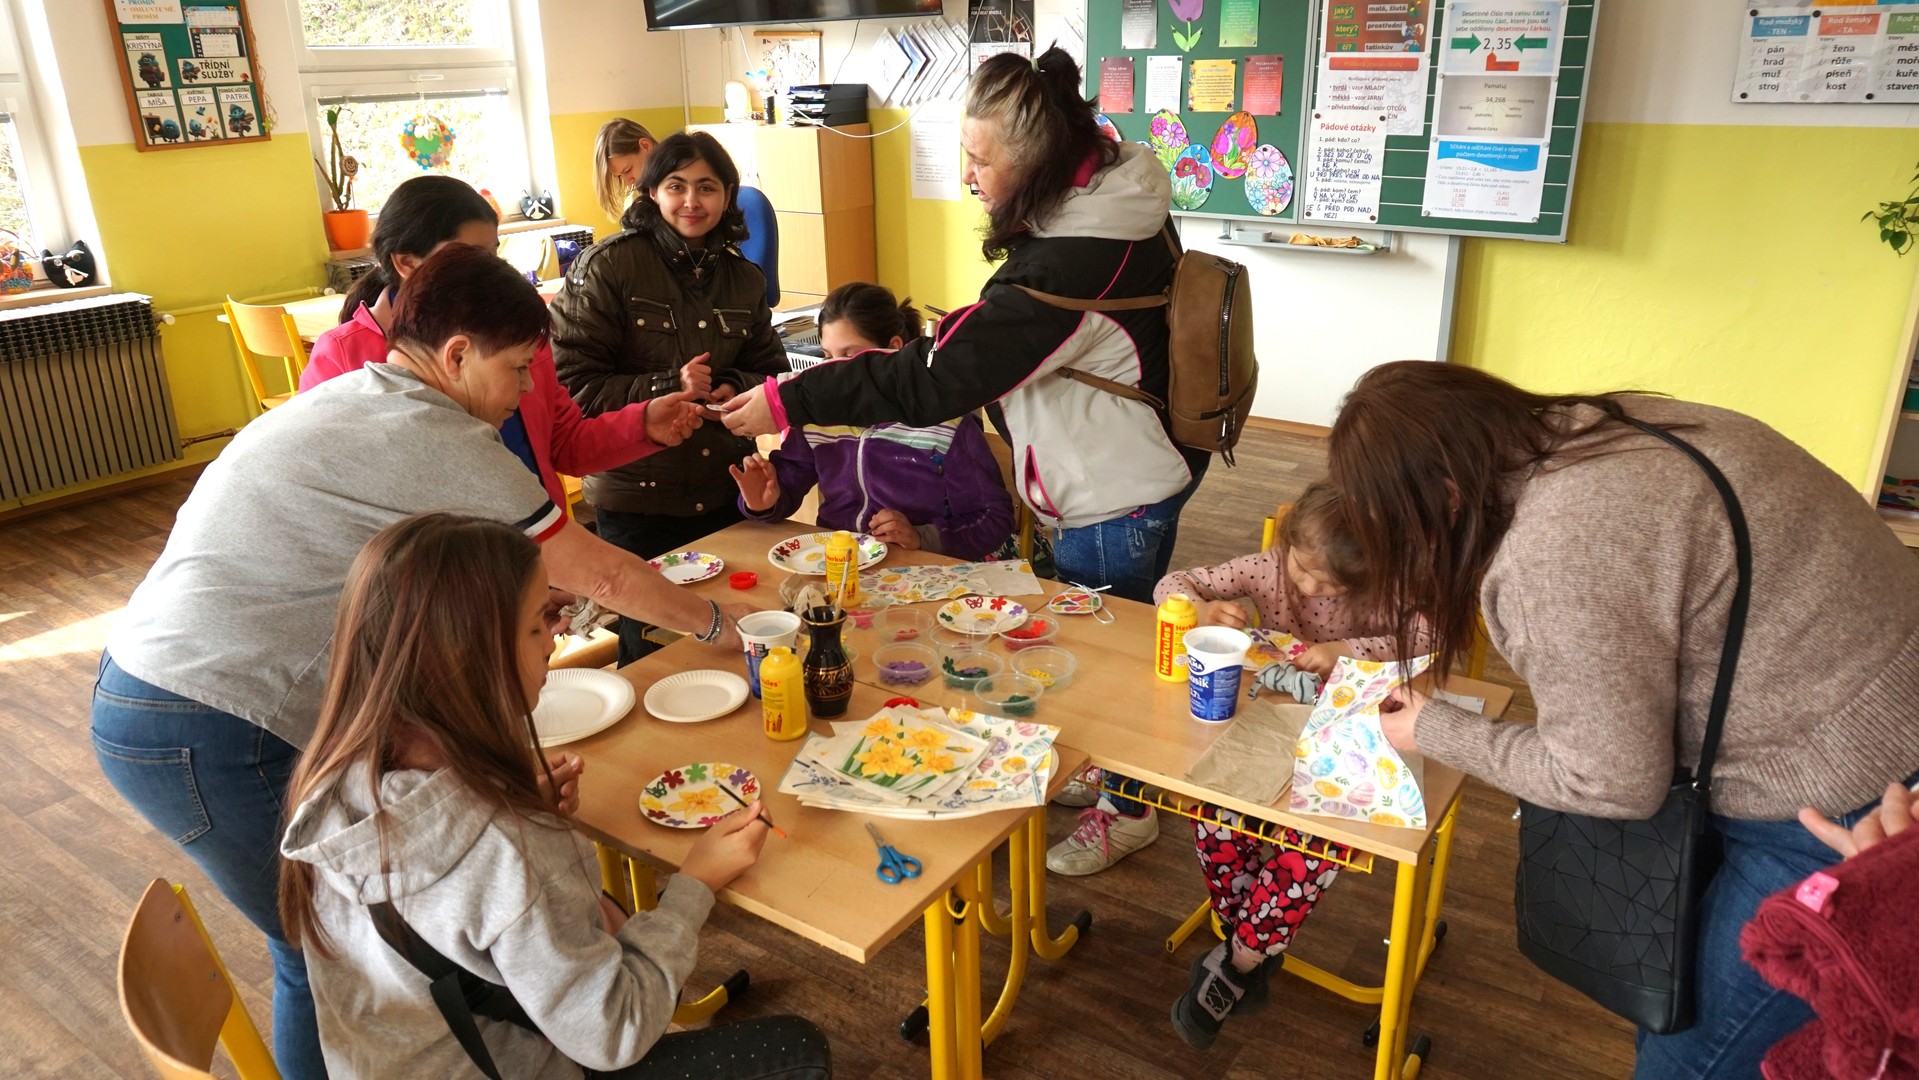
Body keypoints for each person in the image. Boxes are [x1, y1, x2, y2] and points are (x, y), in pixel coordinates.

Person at [92, 246, 748, 1079]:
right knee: (325, 953)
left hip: (154, 686)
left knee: (350, 942)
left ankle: (561, 1008)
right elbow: (604, 575)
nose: (523, 391)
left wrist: (488, 813)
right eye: (518, 369)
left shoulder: (358, 396)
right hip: (215, 718)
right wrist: (727, 627)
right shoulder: (431, 435)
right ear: (458, 354)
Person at [1325, 360, 1919, 1080]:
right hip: (1877, 701)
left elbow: (1609, 782)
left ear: (1446, 496)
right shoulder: (1605, 424)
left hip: (1843, 789)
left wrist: (1434, 729)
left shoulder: (1560, 549)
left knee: (1690, 1059)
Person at [719, 48, 1207, 875]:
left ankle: (1127, 811)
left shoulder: (1069, 266)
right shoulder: (1114, 195)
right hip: (1119, 467)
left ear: (1040, 161)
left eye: (981, 160)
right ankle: (1105, 779)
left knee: (1108, 675)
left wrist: (789, 399)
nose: (967, 177)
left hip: (1112, 493)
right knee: (1094, 652)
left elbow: (931, 379)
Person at [279, 512, 832, 1079]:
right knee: (799, 1048)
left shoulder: (333, 782)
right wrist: (696, 884)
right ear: (474, 657)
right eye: (536, 625)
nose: (556, 639)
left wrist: (516, 811)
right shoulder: (504, 846)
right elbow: (616, 1030)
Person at [1148, 481, 1404, 1050]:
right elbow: (1172, 583)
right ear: (1287, 541)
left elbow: (1429, 640)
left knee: (1318, 840)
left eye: (1329, 584)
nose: (1309, 588)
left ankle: (1239, 958)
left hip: (1348, 738)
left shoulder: (1387, 585)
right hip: (1268, 729)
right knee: (1215, 806)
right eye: (1303, 569)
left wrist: (1347, 652)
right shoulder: (1271, 565)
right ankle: (1251, 944)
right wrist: (1200, 608)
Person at [301, 174, 682, 518]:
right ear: (407, 263)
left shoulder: (514, 335)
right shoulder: (345, 355)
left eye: (493, 253)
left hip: (536, 542)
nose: (488, 269)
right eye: (471, 256)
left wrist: (644, 423)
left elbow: (565, 443)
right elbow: (340, 496)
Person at [551, 130, 789, 663]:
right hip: (639, 501)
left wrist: (735, 387)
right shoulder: (608, 266)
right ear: (652, 191)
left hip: (725, 492)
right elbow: (571, 389)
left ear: (727, 195)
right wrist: (668, 388)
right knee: (653, 654)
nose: (691, 201)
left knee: (732, 645)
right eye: (676, 186)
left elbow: (771, 373)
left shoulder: (744, 279)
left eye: (707, 187)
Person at [729, 282, 1014, 559]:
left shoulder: (945, 424)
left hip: (917, 569)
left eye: (849, 356)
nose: (833, 373)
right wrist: (764, 501)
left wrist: (921, 536)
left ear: (893, 349)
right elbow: (784, 488)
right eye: (827, 357)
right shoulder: (816, 418)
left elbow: (993, 518)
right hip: (841, 565)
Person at [594, 118, 657, 223]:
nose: (628, 182)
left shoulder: (681, 173)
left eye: (627, 170)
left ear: (645, 146)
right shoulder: (636, 198)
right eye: (619, 176)